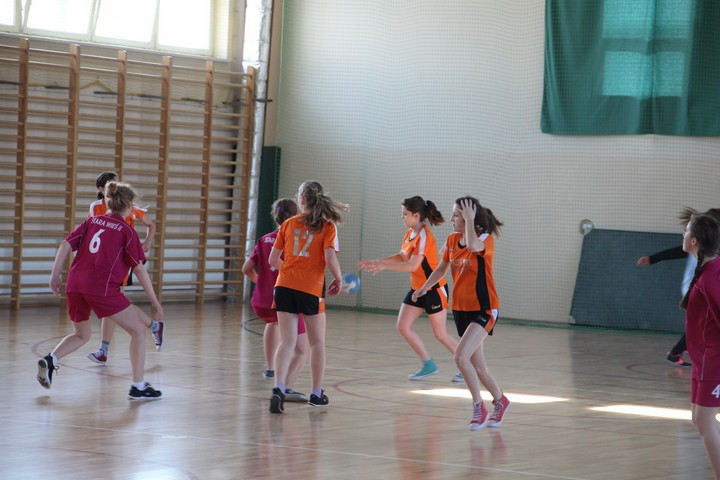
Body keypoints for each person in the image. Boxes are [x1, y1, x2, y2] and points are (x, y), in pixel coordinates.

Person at [39, 181, 163, 399]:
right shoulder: (127, 231)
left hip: (75, 285)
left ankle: (51, 359)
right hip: (101, 287)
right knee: (138, 331)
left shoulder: (92, 221)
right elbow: (139, 270)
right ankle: (138, 386)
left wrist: (54, 274)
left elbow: (66, 244)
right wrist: (155, 302)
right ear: (128, 205)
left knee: (82, 334)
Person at [414, 197, 510, 430]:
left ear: (469, 218)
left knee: (460, 357)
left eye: (456, 215)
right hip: (461, 309)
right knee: (479, 367)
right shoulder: (451, 240)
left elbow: (473, 246)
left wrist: (469, 218)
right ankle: (501, 401)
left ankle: (479, 407)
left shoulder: (484, 240)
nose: (452, 219)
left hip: (484, 308)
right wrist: (425, 288)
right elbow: (441, 269)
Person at [358, 196, 460, 381]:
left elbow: (413, 265)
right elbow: (402, 256)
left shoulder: (424, 236)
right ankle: (428, 364)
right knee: (403, 326)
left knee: (440, 334)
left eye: (405, 214)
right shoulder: (410, 233)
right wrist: (378, 261)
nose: (402, 217)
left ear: (416, 215)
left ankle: (467, 365)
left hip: (433, 289)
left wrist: (384, 266)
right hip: (417, 289)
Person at [267, 181, 348, 413]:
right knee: (317, 343)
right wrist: (339, 279)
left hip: (284, 286)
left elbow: (273, 260)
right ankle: (316, 393)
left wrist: (290, 270)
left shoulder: (288, 223)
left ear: (301, 200)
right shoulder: (328, 227)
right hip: (310, 288)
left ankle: (279, 389)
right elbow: (330, 258)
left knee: (287, 342)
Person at [86, 171, 163, 365]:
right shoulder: (96, 207)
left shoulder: (128, 207)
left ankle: (104, 350)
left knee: (112, 302)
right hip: (103, 260)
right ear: (102, 189)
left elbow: (151, 224)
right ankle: (153, 326)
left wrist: (147, 242)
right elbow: (91, 233)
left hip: (121, 260)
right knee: (113, 303)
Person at [242, 198, 309, 402]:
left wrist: (262, 282)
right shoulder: (295, 242)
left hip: (262, 300)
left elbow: (246, 269)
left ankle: (270, 367)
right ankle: (283, 388)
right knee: (300, 349)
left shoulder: (264, 239)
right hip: (287, 298)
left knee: (273, 325)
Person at [637, 208, 720, 367]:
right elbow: (678, 251)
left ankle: (685, 350)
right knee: (702, 324)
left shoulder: (707, 244)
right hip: (695, 288)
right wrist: (653, 258)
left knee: (702, 324)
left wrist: (652, 259)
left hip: (696, 288)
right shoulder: (704, 244)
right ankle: (675, 353)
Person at [679, 213, 720, 479]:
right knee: (700, 419)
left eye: (686, 232)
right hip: (702, 359)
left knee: (705, 421)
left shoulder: (711, 277)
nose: (683, 236)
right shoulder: (707, 271)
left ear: (694, 240)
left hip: (713, 360)